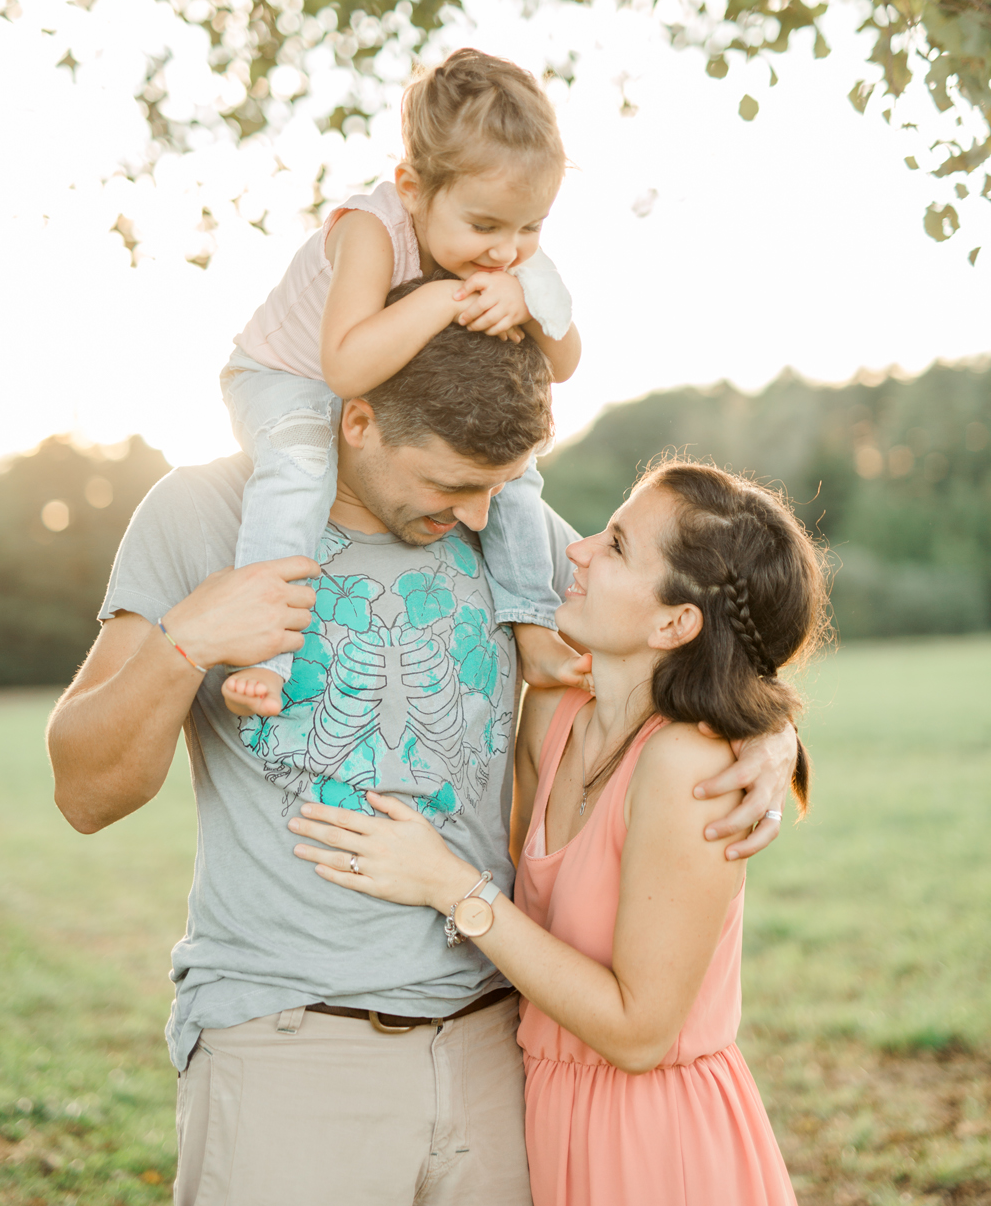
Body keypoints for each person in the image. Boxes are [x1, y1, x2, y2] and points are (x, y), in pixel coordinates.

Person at [48, 293, 797, 1206]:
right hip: (289, 1047)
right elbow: (85, 794)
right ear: (358, 421)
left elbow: (695, 631)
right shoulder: (204, 514)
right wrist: (186, 643)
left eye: (500, 484)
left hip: (498, 1054)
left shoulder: (507, 527)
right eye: (451, 485)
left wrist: (769, 734)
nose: (479, 513)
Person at [288, 458, 827, 1205]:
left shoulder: (688, 769)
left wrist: (450, 886)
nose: (575, 549)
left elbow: (640, 1033)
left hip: (656, 1144)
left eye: (615, 546)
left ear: (675, 623)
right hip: (547, 1117)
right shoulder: (555, 713)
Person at [220, 47, 585, 716]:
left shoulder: (502, 244)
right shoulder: (372, 231)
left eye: (531, 227)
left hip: (385, 394)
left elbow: (564, 362)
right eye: (484, 226)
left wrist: (528, 300)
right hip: (286, 374)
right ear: (414, 189)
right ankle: (262, 652)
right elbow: (344, 369)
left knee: (507, 467)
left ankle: (533, 626)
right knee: (301, 463)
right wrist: (445, 299)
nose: (505, 250)